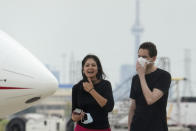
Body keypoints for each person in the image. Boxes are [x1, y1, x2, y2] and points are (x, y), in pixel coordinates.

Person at [128, 42, 171, 131]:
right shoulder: (135, 79)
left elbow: (150, 99)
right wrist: (129, 128)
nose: (140, 60)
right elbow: (133, 107)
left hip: (157, 127)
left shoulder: (164, 76)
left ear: (153, 58)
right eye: (139, 56)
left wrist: (141, 76)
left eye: (144, 57)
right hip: (137, 127)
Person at [71, 54, 114, 131]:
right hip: (82, 128)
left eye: (93, 65)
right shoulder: (76, 87)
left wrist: (91, 90)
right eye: (87, 65)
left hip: (102, 129)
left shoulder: (106, 85)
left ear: (98, 68)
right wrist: (77, 116)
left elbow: (109, 107)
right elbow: (74, 114)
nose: (90, 67)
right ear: (83, 69)